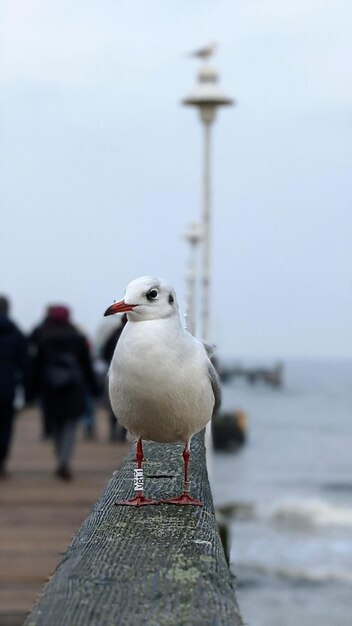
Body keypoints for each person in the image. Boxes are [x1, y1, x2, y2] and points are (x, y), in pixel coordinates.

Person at [28, 305, 99, 480]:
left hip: (50, 388)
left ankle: (60, 456)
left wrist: (30, 391)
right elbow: (86, 366)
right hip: (73, 388)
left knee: (57, 425)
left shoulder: (43, 337)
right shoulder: (77, 337)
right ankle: (64, 460)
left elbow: (35, 367)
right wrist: (94, 388)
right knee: (70, 425)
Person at [0, 295, 27, 477]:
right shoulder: (15, 331)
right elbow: (25, 362)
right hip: (6, 385)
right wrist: (27, 388)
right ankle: (1, 461)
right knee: (4, 426)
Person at [101, 314, 128, 441]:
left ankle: (113, 431)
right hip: (133, 376)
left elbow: (104, 352)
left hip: (114, 373)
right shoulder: (142, 336)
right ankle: (123, 432)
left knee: (114, 402)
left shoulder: (115, 334)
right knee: (128, 404)